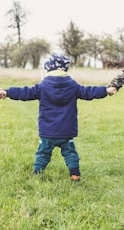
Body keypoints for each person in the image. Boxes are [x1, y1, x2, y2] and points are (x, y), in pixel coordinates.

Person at [0, 53, 118, 182]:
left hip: (47, 131)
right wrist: (106, 91)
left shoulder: (42, 87)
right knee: (70, 153)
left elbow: (24, 92)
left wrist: (7, 92)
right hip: (66, 131)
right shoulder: (73, 86)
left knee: (43, 153)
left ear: (48, 69)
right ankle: (75, 175)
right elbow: (89, 91)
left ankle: (37, 173)